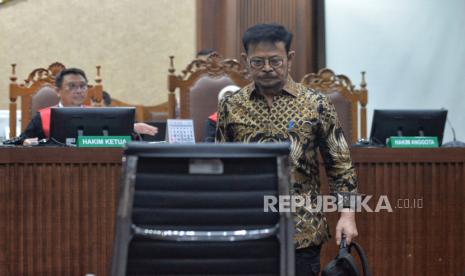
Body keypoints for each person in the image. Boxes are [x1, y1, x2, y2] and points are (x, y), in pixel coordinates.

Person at [215, 23, 358, 276]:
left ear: (290, 59)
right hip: (247, 229)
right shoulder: (231, 105)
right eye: (258, 62)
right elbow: (221, 165)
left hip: (302, 231)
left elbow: (340, 164)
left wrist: (348, 216)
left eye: (275, 61)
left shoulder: (316, 104)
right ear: (245, 60)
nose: (267, 68)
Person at [20, 68, 157, 145]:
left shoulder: (97, 116)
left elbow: (110, 142)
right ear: (58, 91)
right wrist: (26, 142)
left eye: (82, 86)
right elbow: (20, 142)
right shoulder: (44, 117)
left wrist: (130, 128)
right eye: (72, 86)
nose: (79, 90)